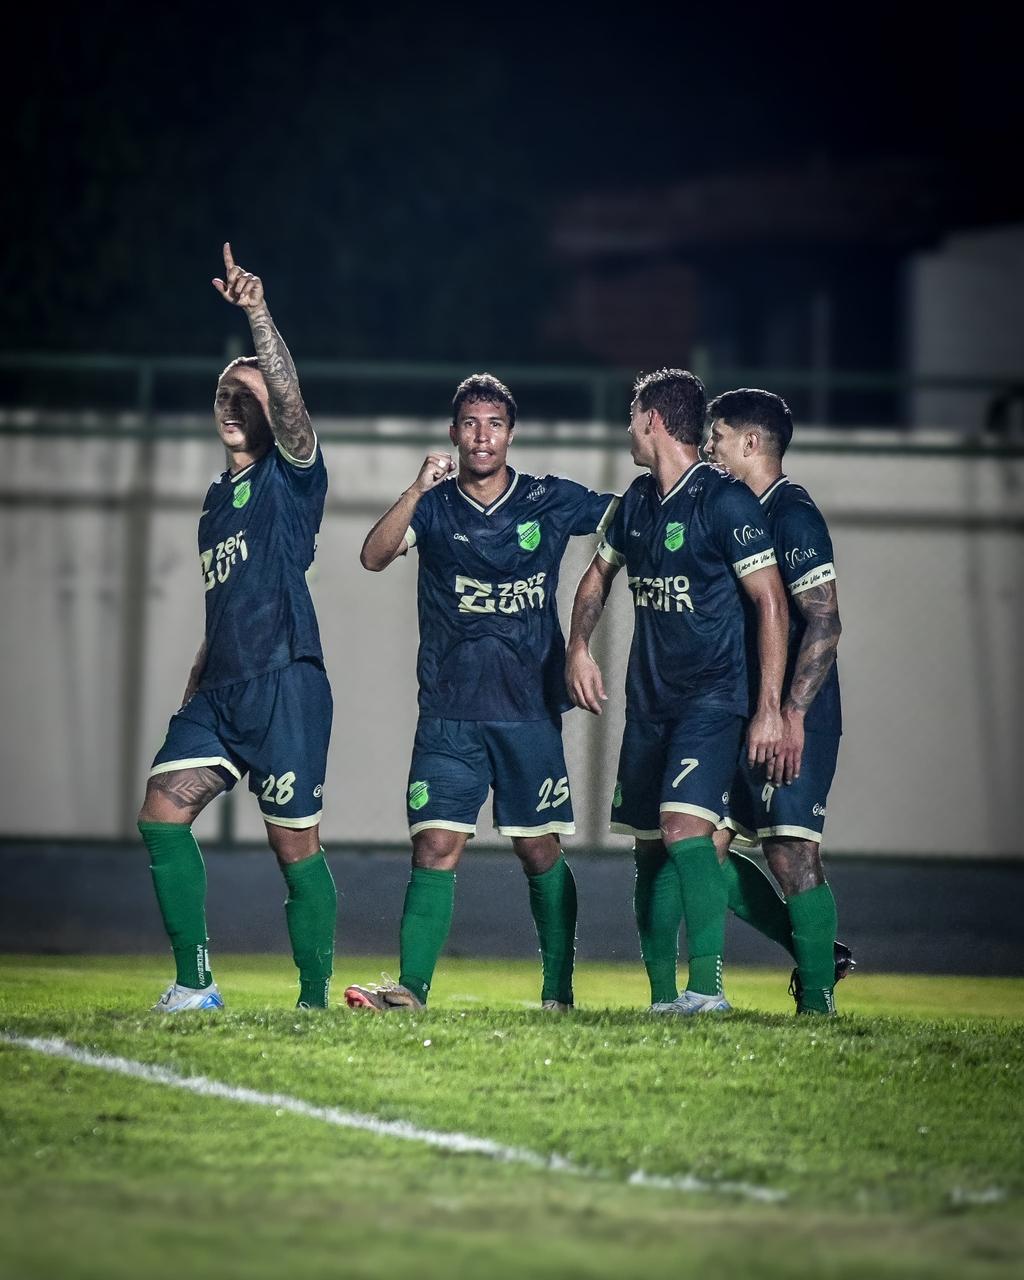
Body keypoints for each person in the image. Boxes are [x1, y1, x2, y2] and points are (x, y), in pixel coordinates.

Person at [344, 373, 617, 1012]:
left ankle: (558, 993)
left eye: (494, 424)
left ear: (511, 434)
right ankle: (410, 990)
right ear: (453, 434)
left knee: (538, 849)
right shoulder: (434, 506)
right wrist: (416, 488)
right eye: (470, 424)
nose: (482, 436)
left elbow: (631, 516)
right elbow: (373, 556)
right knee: (434, 845)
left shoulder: (548, 499)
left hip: (528, 711)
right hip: (449, 714)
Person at [137, 244, 335, 1012]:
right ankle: (196, 985)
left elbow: (292, 407)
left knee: (294, 848)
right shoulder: (215, 504)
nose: (233, 402)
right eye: (225, 392)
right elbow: (223, 606)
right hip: (219, 692)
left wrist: (257, 315)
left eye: (247, 393)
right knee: (161, 816)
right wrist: (195, 682)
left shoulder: (292, 476)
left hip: (285, 683)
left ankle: (314, 1001)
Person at [566, 368, 789, 1015]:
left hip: (713, 702)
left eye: (632, 416)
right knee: (649, 850)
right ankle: (665, 1000)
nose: (628, 429)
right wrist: (578, 648)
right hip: (650, 705)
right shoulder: (635, 502)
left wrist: (769, 708)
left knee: (685, 831)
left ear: (653, 420)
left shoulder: (726, 502)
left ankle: (708, 991)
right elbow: (595, 579)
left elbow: (771, 603)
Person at [705, 388, 850, 1014]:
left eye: (717, 436)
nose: (708, 448)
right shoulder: (734, 509)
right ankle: (811, 953)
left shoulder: (791, 514)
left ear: (750, 441)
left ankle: (817, 1004)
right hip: (740, 711)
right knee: (698, 845)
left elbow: (825, 621)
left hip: (795, 716)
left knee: (791, 852)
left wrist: (791, 715)